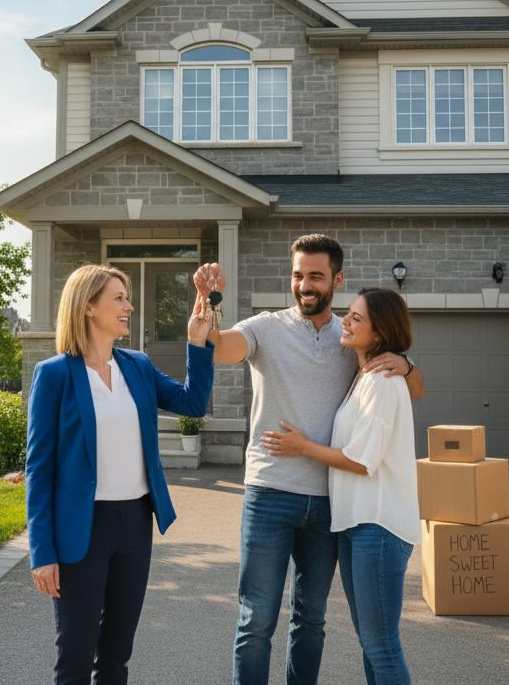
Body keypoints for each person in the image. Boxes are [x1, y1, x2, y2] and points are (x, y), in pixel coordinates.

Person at [194, 234, 424, 685]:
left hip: (326, 504)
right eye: (298, 275)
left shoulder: (350, 335)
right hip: (270, 492)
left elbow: (408, 389)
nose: (305, 285)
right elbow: (221, 348)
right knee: (255, 620)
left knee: (311, 619)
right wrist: (209, 307)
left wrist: (409, 366)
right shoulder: (265, 327)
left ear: (337, 279)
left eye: (316, 276)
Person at [25, 264, 215, 685]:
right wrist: (42, 551)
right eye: (119, 298)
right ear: (89, 307)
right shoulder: (54, 374)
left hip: (134, 524)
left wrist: (197, 342)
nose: (129, 306)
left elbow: (193, 403)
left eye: (127, 298)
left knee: (115, 657)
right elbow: (38, 469)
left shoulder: (138, 366)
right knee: (73, 658)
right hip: (81, 529)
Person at [262, 287, 420, 685]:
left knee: (382, 646)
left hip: (378, 526)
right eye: (348, 313)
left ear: (379, 332)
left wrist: (302, 447)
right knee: (372, 643)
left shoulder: (383, 382)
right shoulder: (364, 376)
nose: (344, 322)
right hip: (355, 525)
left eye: (356, 318)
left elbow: (361, 460)